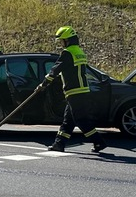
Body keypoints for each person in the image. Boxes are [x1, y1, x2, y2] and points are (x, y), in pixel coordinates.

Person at [45, 26, 108, 154]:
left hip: (74, 91)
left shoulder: (67, 53)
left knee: (81, 120)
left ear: (67, 40)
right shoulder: (79, 51)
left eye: (62, 40)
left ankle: (99, 141)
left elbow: (56, 68)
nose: (61, 43)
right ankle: (59, 144)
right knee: (68, 120)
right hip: (82, 90)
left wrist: (45, 82)